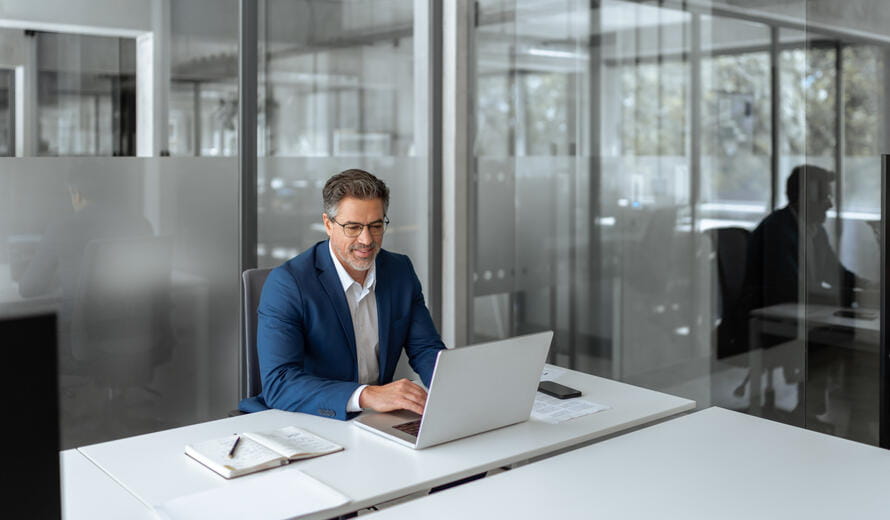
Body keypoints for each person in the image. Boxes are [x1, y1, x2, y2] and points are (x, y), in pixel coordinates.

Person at [240, 169, 445, 420]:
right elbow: (280, 383)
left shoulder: (399, 271)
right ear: (328, 224)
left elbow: (426, 350)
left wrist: (452, 395)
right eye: (353, 227)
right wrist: (367, 395)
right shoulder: (288, 284)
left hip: (372, 419)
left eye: (376, 226)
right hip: (307, 419)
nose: (366, 239)